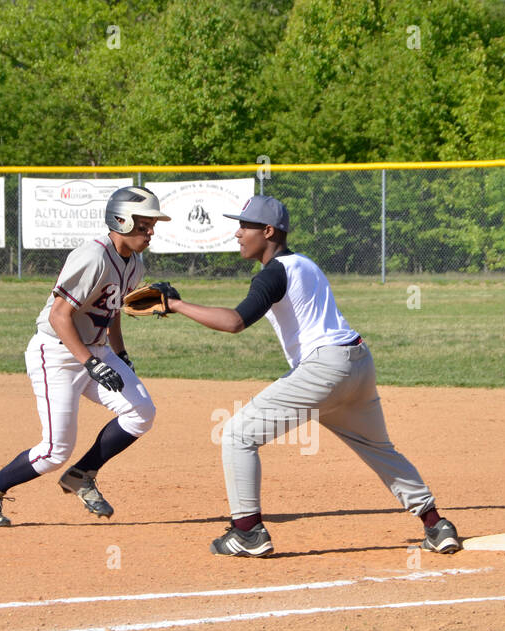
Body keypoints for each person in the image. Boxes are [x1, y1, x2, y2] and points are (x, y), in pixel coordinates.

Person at [165, 195, 462, 557]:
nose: (238, 234)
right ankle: (436, 525)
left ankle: (247, 532)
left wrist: (176, 305)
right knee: (379, 449)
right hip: (357, 363)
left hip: (324, 370)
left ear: (268, 231)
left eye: (245, 227)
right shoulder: (304, 263)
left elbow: (234, 322)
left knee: (237, 435)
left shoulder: (274, 272)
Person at [0, 185, 169, 526]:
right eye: (142, 224)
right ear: (120, 220)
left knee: (141, 412)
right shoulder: (92, 256)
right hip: (57, 354)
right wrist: (89, 363)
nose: (150, 232)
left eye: (152, 225)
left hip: (97, 350)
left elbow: (113, 309)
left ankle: (82, 474)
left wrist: (119, 353)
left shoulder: (134, 262)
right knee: (54, 450)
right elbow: (58, 316)